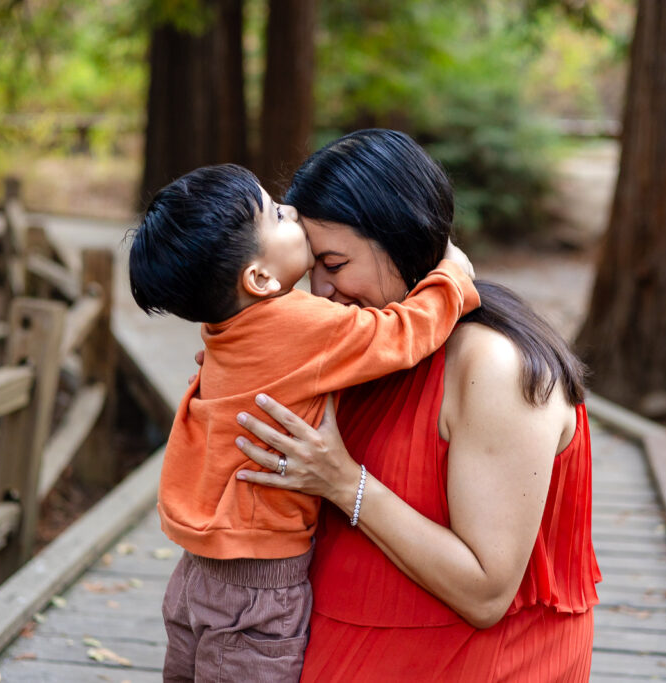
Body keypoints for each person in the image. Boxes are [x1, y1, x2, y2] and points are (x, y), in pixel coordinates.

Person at [231, 129, 601, 682]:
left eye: (334, 263)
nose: (320, 290)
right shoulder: (362, 345)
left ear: (401, 241)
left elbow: (486, 591)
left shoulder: (491, 365)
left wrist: (343, 482)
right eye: (311, 267)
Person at [128, 162, 480, 681]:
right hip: (258, 589)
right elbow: (402, 334)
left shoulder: (225, 327)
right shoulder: (300, 324)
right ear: (260, 278)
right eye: (275, 214)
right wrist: (453, 276)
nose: (290, 210)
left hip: (195, 576)